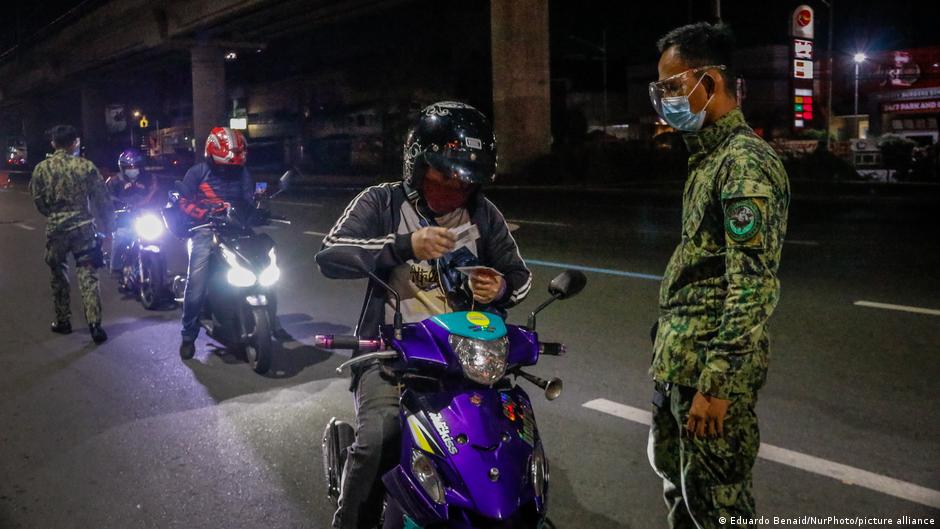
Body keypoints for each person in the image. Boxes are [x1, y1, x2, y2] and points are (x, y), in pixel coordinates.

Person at [317, 101, 532, 529]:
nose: (456, 189)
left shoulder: (484, 215)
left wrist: (501, 287)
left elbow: (519, 277)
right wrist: (403, 247)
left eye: (466, 182)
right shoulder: (381, 202)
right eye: (446, 178)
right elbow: (330, 254)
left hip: (465, 357)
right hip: (390, 355)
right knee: (382, 434)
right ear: (418, 168)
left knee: (505, 436)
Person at [646, 23, 790, 529]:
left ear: (707, 83)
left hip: (709, 374)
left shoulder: (744, 163)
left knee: (720, 508)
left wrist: (717, 385)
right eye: (661, 88)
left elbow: (750, 286)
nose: (665, 99)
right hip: (682, 367)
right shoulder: (707, 160)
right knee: (682, 493)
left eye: (672, 85)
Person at [177, 127, 288, 358]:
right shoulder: (197, 173)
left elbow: (247, 201)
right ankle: (188, 335)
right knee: (196, 283)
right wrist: (203, 213)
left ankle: (273, 321)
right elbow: (184, 202)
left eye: (234, 166)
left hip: (237, 229)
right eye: (226, 166)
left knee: (267, 269)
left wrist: (259, 210)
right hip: (205, 230)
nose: (230, 171)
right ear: (212, 156)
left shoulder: (243, 174)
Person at [29, 124, 114, 343]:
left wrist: (54, 214)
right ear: (75, 143)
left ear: (53, 143)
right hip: (84, 229)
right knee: (88, 276)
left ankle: (63, 322)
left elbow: (38, 200)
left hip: (56, 230)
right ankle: (95, 325)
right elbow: (102, 199)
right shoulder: (85, 166)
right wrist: (109, 227)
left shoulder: (41, 169)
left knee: (58, 275)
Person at [107, 148, 158, 274]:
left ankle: (159, 267)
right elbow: (108, 198)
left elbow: (156, 193)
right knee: (120, 237)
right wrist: (118, 207)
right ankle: (116, 267)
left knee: (159, 237)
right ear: (122, 168)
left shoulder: (149, 179)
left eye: (135, 166)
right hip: (124, 218)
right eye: (129, 167)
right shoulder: (114, 181)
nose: (132, 169)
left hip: (145, 217)